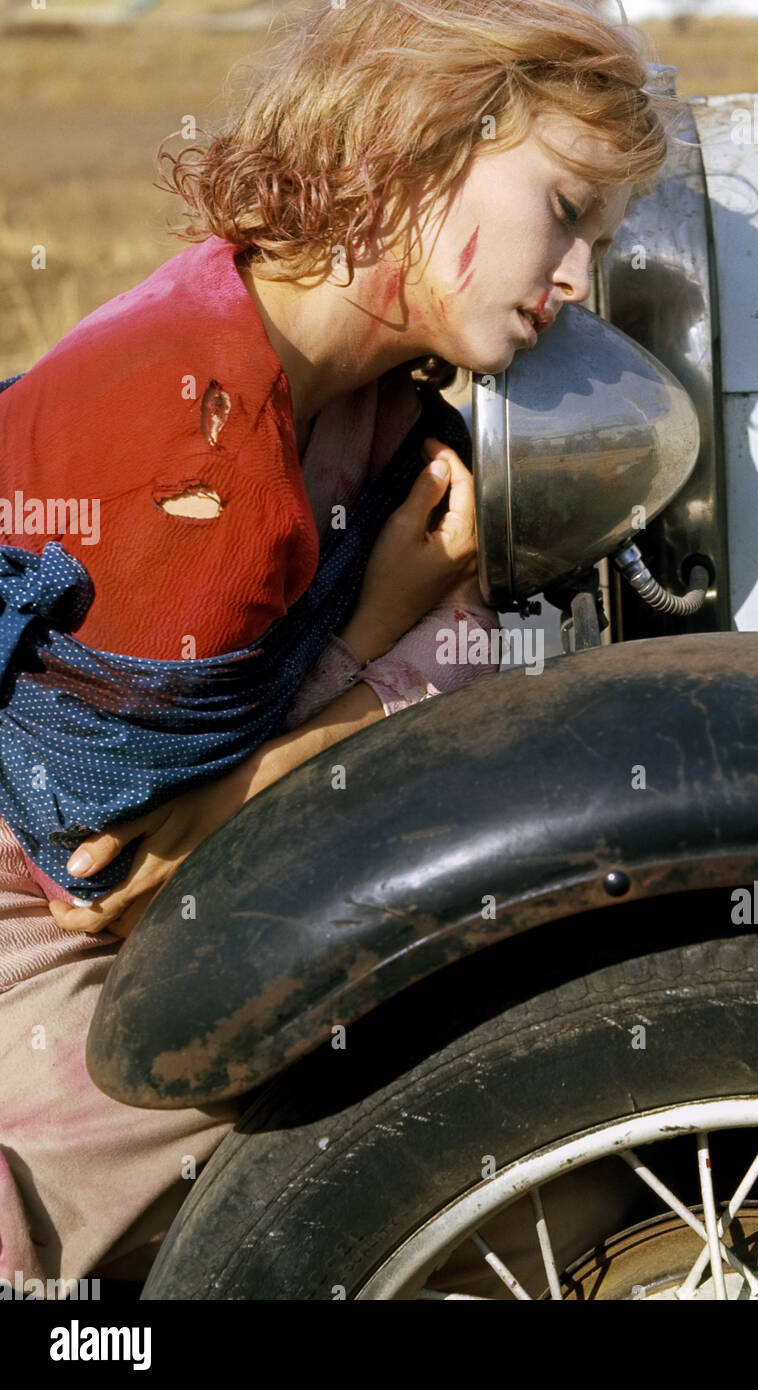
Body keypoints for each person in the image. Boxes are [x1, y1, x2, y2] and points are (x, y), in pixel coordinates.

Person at [0, 0, 671, 1288]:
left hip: (115, 911)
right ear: (416, 148)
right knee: (451, 1079)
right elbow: (122, 875)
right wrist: (384, 649)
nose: (579, 276)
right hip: (39, 961)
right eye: (567, 210)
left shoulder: (356, 386)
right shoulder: (192, 448)